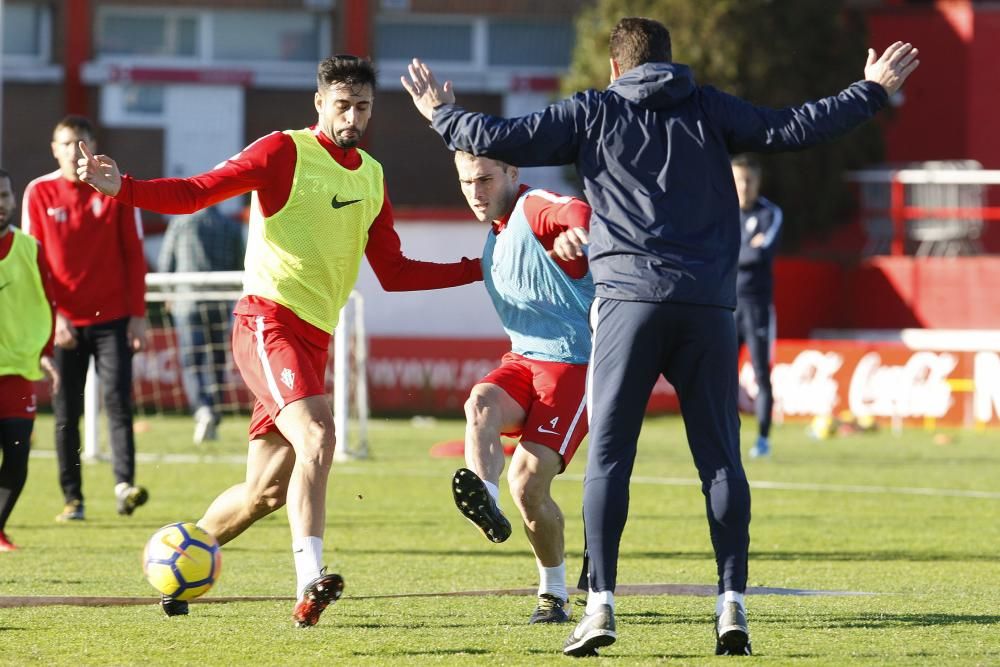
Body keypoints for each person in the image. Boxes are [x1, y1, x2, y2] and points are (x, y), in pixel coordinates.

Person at [403, 18, 919, 657]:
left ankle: (600, 608)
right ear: (670, 64)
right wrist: (869, 90)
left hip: (629, 305)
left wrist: (441, 114)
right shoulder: (709, 108)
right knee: (721, 462)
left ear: (615, 69)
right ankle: (731, 606)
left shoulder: (594, 112)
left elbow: (503, 138)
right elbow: (795, 127)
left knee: (611, 459)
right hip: (706, 306)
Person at [77, 55, 483, 627]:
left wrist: (478, 266)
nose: (352, 116)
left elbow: (395, 273)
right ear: (319, 103)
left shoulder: (371, 175)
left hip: (313, 338)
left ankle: (177, 565)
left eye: (362, 106)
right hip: (267, 322)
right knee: (319, 436)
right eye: (342, 104)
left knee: (264, 493)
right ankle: (309, 580)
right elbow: (198, 192)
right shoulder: (283, 151)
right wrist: (124, 187)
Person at [445, 151, 594, 624]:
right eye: (467, 182)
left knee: (527, 483)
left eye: (486, 179)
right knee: (480, 401)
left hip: (575, 364)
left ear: (513, 173)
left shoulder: (532, 208)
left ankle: (554, 594)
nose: (475, 191)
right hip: (524, 360)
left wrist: (581, 232)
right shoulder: (496, 236)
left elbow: (572, 209)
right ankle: (485, 499)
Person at [21, 115, 149, 523]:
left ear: (91, 147)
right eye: (64, 143)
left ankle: (124, 486)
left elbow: (134, 252)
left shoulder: (115, 186)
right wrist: (51, 318)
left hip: (112, 318)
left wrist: (138, 316)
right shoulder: (38, 192)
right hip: (63, 323)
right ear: (53, 148)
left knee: (118, 402)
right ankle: (73, 499)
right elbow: (33, 263)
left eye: (81, 142)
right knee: (65, 413)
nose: (72, 151)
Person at [0, 168, 60, 551]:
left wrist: (48, 352)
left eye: (4, 195)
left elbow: (48, 304)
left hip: (18, 370)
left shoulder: (30, 249)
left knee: (18, 455)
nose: (0, 203)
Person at [158, 207, 245, 444]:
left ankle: (202, 410)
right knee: (216, 362)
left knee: (192, 362)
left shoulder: (181, 222)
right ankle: (213, 414)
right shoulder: (230, 225)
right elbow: (241, 263)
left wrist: (167, 293)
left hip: (187, 302)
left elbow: (166, 260)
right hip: (219, 302)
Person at [731, 155, 782, 459]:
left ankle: (762, 439)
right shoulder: (721, 212)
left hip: (758, 306)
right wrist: (749, 248)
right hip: (724, 306)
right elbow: (714, 253)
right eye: (738, 180)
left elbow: (761, 255)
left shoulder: (770, 213)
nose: (744, 186)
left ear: (757, 181)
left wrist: (738, 252)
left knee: (762, 374)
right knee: (723, 375)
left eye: (748, 180)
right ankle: (728, 437)